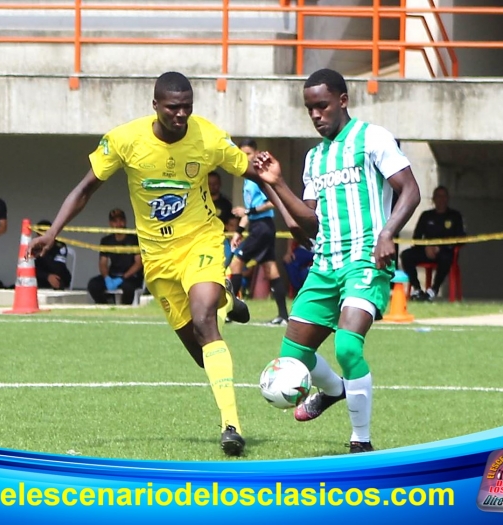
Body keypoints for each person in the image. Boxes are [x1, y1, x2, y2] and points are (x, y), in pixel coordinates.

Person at [27, 71, 254, 456]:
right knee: (202, 354)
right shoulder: (125, 140)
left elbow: (252, 170)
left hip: (201, 240)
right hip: (157, 260)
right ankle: (226, 298)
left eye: (187, 107)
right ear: (155, 106)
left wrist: (293, 206)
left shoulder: (208, 137)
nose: (180, 115)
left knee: (204, 321)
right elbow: (85, 189)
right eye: (172, 108)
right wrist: (53, 232)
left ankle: (231, 426)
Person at [254, 69, 421, 453]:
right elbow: (306, 227)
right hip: (325, 264)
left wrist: (388, 233)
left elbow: (409, 189)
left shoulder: (372, 138)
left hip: (365, 261)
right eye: (309, 108)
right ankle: (333, 391)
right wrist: (275, 183)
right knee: (293, 356)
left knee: (347, 347)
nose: (315, 115)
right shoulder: (314, 159)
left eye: (322, 106)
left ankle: (361, 442)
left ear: (342, 101)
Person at [228, 139, 290, 325]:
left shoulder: (260, 177)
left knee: (236, 264)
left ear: (255, 153)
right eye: (242, 154)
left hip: (263, 227)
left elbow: (273, 201)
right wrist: (239, 231)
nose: (245, 157)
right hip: (258, 226)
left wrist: (249, 212)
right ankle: (283, 316)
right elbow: (249, 210)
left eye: (248, 153)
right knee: (271, 269)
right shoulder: (248, 178)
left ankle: (231, 312)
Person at [400, 185, 465, 301]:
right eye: (438, 196)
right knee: (406, 255)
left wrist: (440, 248)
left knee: (446, 257)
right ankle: (417, 289)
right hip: (426, 251)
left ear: (448, 198)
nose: (441, 199)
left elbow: (461, 238)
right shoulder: (426, 215)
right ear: (433, 199)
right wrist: (426, 247)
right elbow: (417, 237)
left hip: (445, 252)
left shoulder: (455, 216)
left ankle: (433, 290)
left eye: (444, 196)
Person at [87, 208, 144, 304]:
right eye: (115, 221)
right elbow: (103, 263)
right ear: (110, 224)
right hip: (113, 275)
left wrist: (123, 278)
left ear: (125, 221)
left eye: (121, 220)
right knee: (93, 285)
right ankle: (106, 307)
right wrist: (106, 278)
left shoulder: (134, 239)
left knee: (128, 288)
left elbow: (138, 263)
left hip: (131, 277)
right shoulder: (106, 240)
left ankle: (124, 311)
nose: (118, 224)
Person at [33, 220, 72, 290]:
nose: (40, 236)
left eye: (43, 232)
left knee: (58, 278)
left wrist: (44, 251)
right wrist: (47, 276)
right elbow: (29, 267)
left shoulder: (60, 246)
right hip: (40, 278)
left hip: (57, 277)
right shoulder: (33, 246)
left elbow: (58, 267)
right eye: (38, 233)